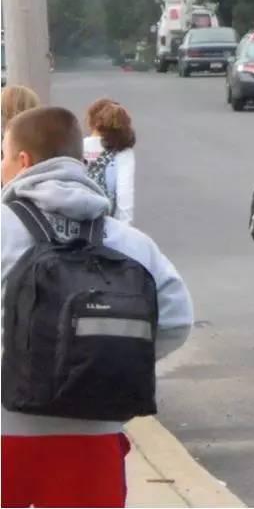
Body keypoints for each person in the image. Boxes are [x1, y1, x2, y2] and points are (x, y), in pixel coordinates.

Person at [1, 106, 193, 508]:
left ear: (23, 161)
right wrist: (101, 364)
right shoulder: (127, 240)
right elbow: (176, 320)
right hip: (93, 432)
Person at [82, 98, 136, 225]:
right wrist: (124, 229)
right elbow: (124, 195)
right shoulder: (123, 152)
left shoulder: (77, 146)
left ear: (92, 121)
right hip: (106, 226)